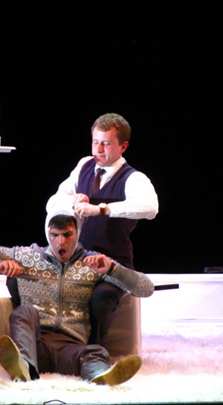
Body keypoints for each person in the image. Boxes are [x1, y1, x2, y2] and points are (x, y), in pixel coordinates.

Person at [0, 211, 154, 384]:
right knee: (23, 311)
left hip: (70, 348)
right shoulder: (27, 256)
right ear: (47, 234)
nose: (61, 242)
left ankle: (100, 377)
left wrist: (113, 269)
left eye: (67, 234)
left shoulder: (93, 262)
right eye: (54, 235)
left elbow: (146, 288)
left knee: (95, 352)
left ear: (78, 232)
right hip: (35, 345)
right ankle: (24, 368)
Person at [43, 113, 159, 347]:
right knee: (26, 282)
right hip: (76, 261)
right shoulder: (84, 165)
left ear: (123, 146)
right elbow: (53, 201)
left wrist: (101, 209)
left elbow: (150, 208)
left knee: (102, 296)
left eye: (105, 143)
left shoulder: (134, 178)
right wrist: (73, 200)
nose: (98, 149)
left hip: (113, 264)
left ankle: (92, 353)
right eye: (95, 142)